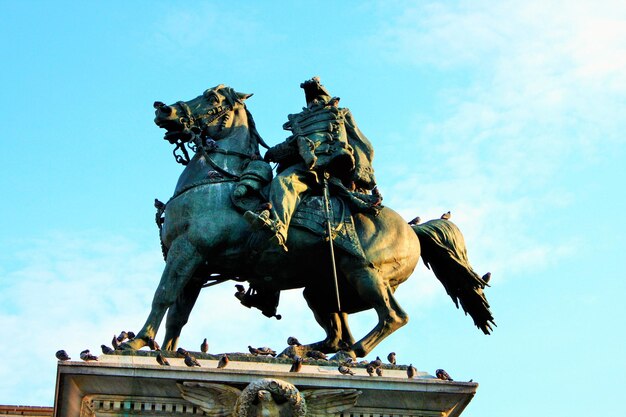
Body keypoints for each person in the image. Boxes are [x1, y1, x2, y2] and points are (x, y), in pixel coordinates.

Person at [244, 77, 379, 251]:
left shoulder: (339, 116)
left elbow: (363, 145)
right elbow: (290, 145)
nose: (314, 101)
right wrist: (270, 154)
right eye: (311, 99)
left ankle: (278, 228)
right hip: (307, 166)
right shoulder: (301, 124)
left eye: (318, 97)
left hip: (325, 171)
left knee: (284, 182)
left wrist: (361, 177)